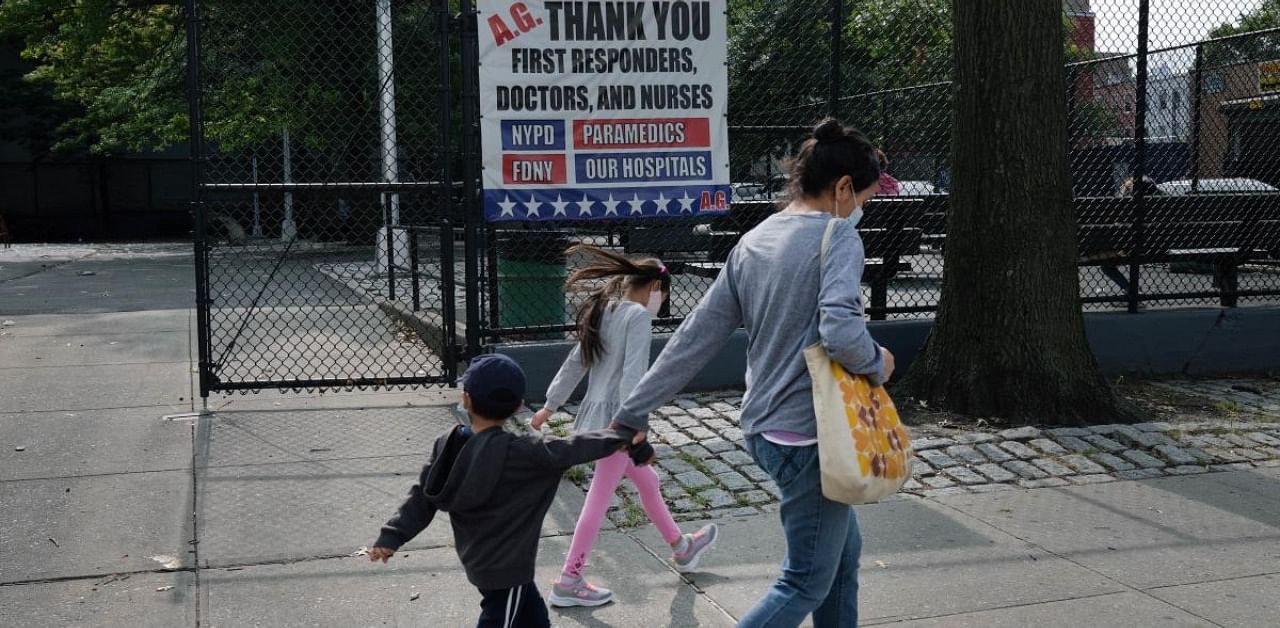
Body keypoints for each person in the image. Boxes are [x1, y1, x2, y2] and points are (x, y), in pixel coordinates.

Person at [607, 117, 894, 628]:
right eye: (864, 199)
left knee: (842, 559)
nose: (861, 210)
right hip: (812, 436)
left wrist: (633, 410)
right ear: (844, 187)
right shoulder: (837, 238)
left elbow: (695, 337)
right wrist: (880, 361)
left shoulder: (755, 239)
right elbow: (843, 335)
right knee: (804, 581)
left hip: (765, 429)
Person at [369, 354, 650, 628]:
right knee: (502, 616)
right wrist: (625, 435)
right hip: (506, 570)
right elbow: (576, 447)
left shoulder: (447, 445)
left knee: (532, 615)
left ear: (466, 398)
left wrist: (392, 535)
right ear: (518, 407)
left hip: (479, 559)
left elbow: (421, 496)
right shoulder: (525, 453)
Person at [530, 245, 719, 608]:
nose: (662, 301)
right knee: (599, 499)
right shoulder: (637, 317)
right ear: (653, 288)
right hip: (619, 420)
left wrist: (550, 406)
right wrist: (636, 423)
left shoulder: (606, 308)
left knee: (648, 481)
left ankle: (682, 547)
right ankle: (570, 578)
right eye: (663, 293)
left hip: (596, 417)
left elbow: (576, 361)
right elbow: (635, 374)